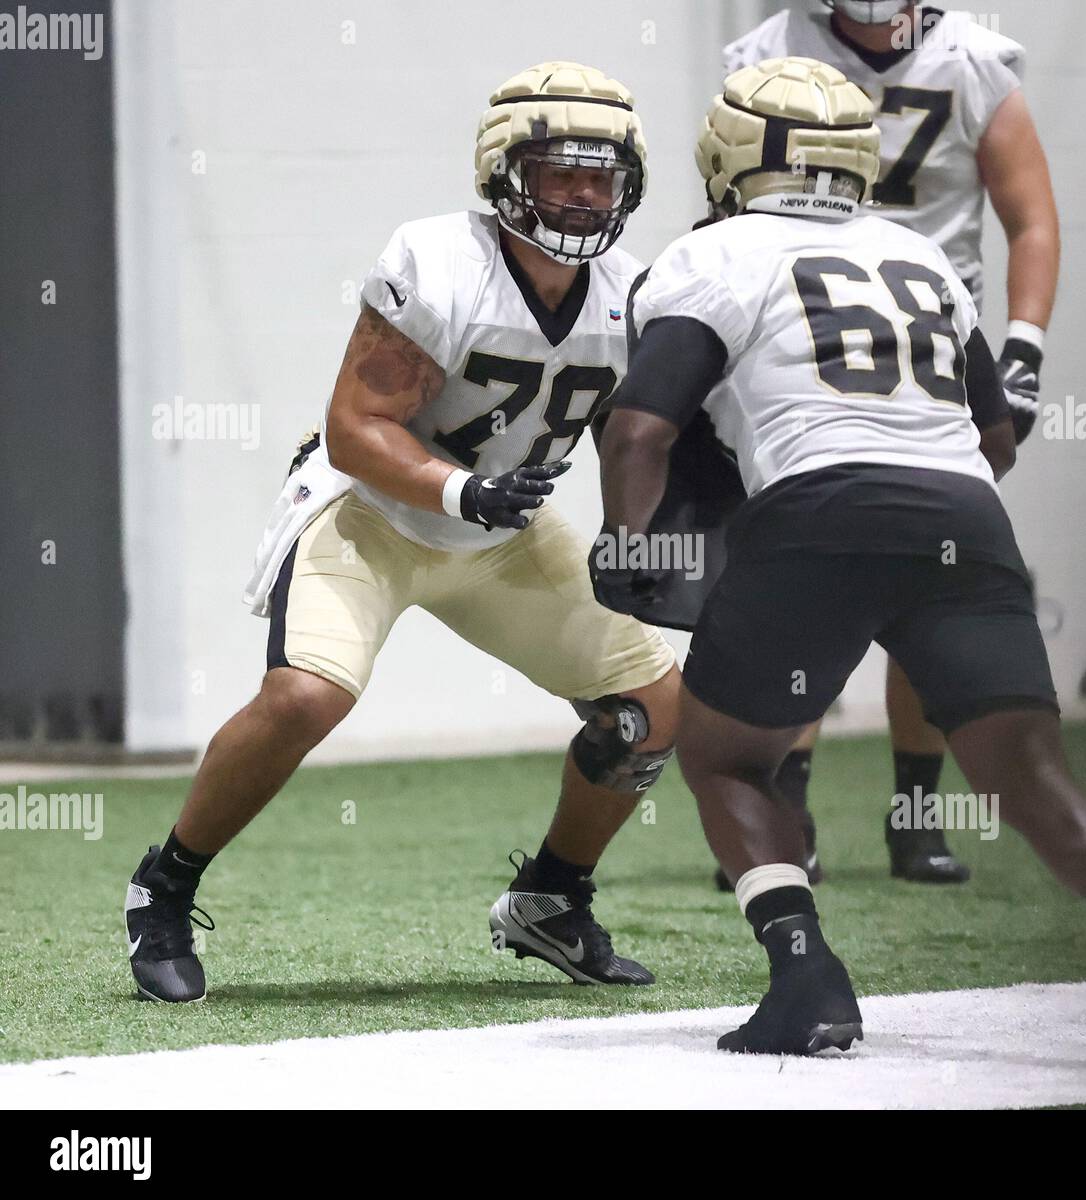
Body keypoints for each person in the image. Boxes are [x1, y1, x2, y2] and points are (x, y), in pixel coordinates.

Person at [590, 57, 1086, 1071]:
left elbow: (637, 430)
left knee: (728, 755)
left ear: (728, 155)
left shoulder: (709, 255)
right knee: (1031, 776)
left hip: (815, 511)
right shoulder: (918, 254)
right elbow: (994, 437)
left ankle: (806, 977)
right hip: (965, 515)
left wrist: (631, 545)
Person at [123, 61, 680, 1002]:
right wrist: (461, 491)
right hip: (374, 513)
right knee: (306, 698)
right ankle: (163, 886)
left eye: (602, 175)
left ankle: (551, 897)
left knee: (654, 710)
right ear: (507, 173)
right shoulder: (440, 261)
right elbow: (354, 427)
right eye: (562, 172)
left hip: (499, 535)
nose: (585, 195)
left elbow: (646, 440)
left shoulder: (634, 295)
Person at [719, 0, 1060, 884]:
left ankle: (915, 812)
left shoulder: (975, 58)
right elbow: (728, 199)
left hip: (933, 343)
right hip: (803, 338)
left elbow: (1032, 218)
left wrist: (1020, 354)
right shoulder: (765, 52)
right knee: (806, 581)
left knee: (932, 582)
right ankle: (790, 814)